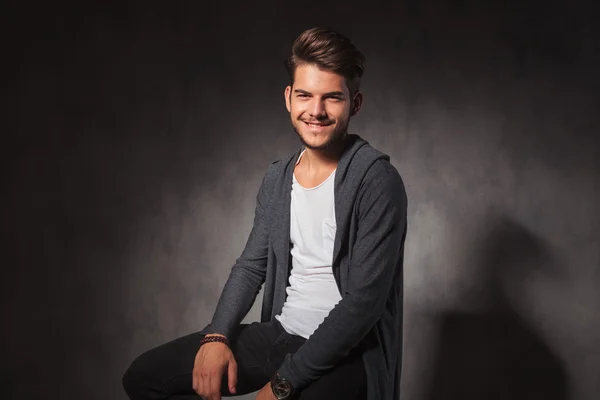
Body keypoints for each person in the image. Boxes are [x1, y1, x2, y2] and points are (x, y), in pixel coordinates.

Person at [122, 26, 407, 400]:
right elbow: (251, 266)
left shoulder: (377, 181)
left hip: (346, 355)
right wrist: (216, 335)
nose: (316, 111)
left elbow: (362, 305)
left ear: (354, 103)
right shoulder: (277, 178)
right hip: (281, 333)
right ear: (289, 98)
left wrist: (283, 382)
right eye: (304, 95)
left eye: (332, 98)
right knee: (144, 378)